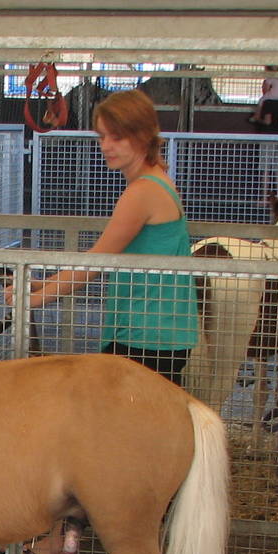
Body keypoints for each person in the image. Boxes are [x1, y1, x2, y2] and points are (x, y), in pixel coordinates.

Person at [19, 87, 197, 384]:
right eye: (102, 136)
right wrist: (43, 284)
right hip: (156, 331)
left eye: (117, 137)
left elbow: (96, 261)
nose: (106, 146)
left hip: (147, 336)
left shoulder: (143, 192)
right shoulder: (156, 181)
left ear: (142, 136)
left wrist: (33, 301)